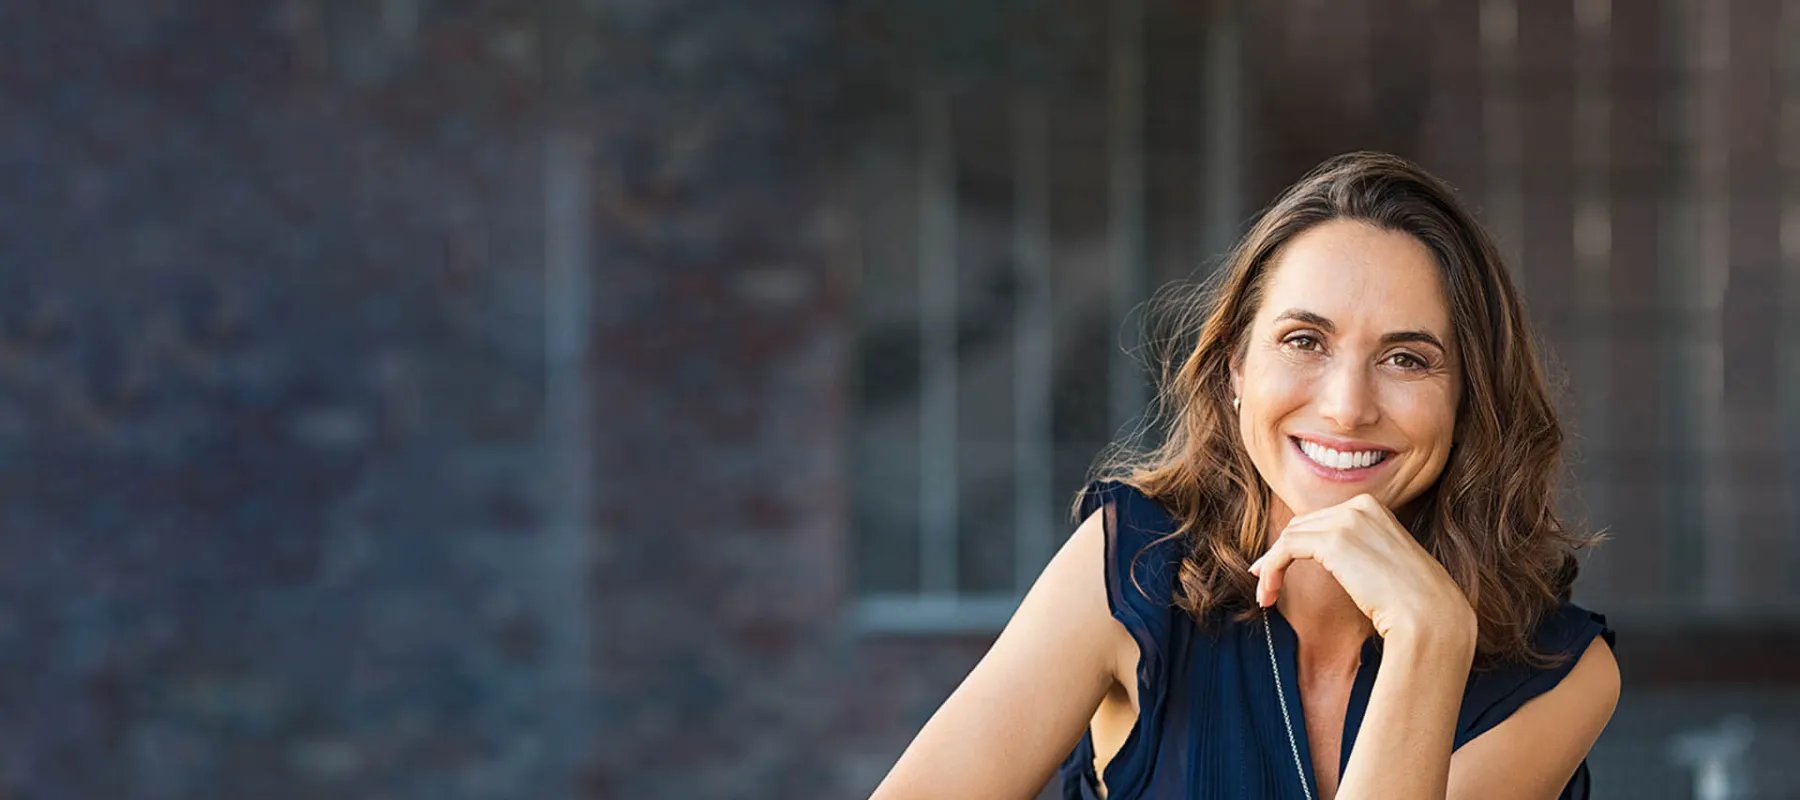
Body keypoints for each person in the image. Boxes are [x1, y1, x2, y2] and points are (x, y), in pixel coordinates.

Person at [869, 152, 1620, 800]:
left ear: (1468, 399)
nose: (1347, 407)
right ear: (1235, 368)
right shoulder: (1132, 566)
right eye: (1304, 341)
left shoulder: (1563, 670)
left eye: (1406, 359)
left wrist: (1429, 642)